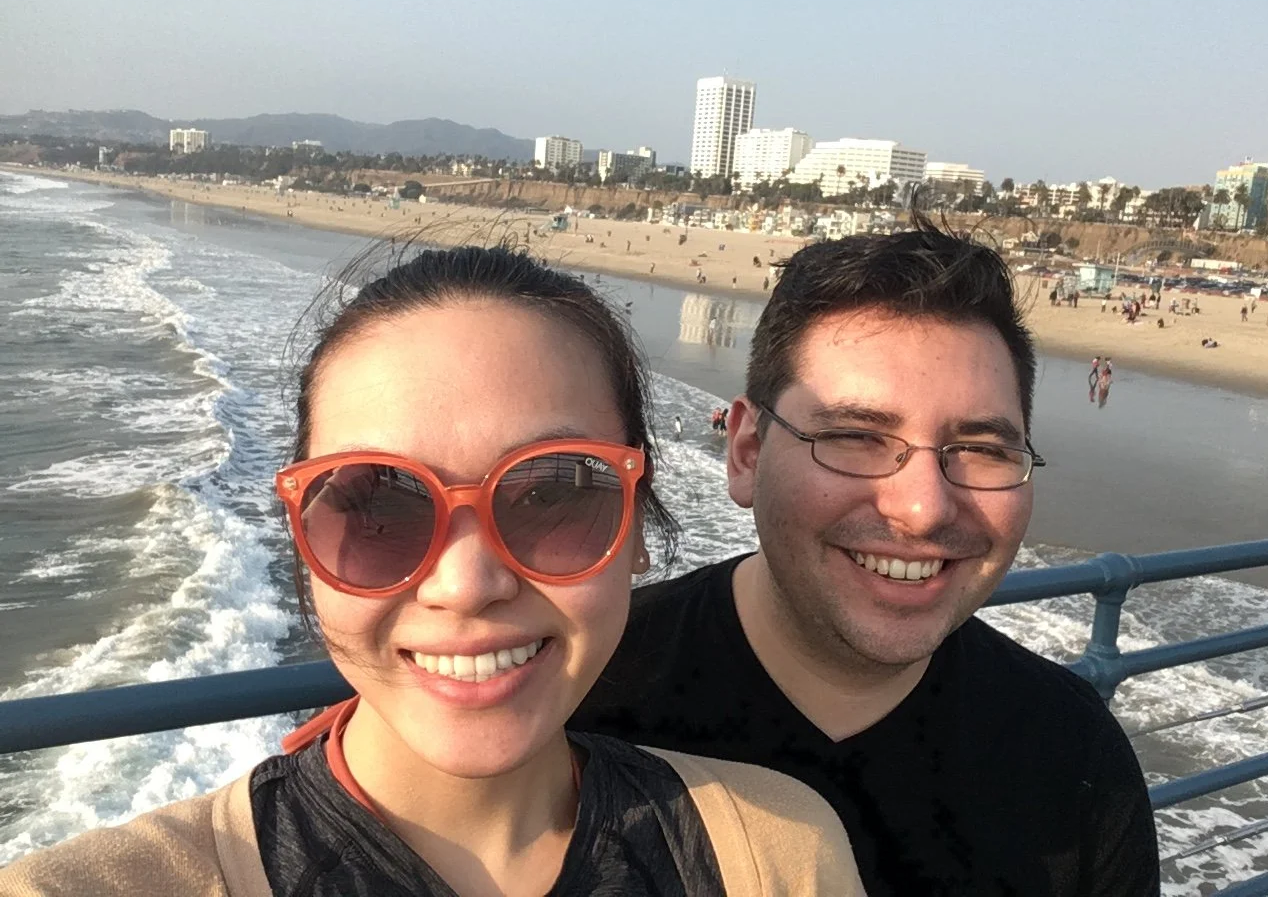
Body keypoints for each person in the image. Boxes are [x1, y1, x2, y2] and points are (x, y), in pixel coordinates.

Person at [1, 244, 861, 896]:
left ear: (639, 527)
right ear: (303, 536)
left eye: (554, 490)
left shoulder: (776, 854)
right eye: (378, 499)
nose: (465, 583)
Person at [575, 217, 1160, 896]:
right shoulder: (583, 697)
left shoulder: (1071, 756)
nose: (923, 508)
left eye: (981, 450)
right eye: (855, 437)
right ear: (747, 453)